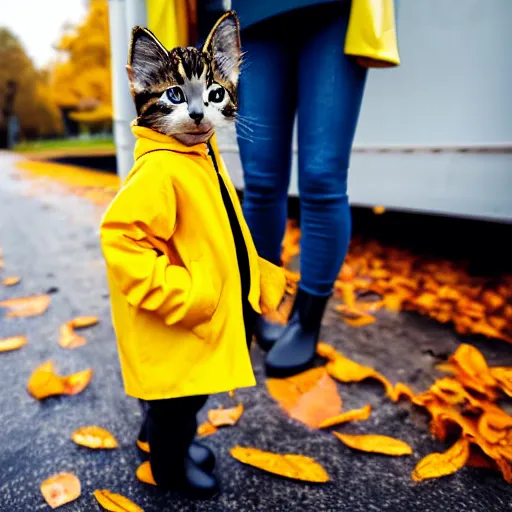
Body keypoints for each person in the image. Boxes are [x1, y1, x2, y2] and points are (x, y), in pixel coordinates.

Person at [100, 13, 285, 498]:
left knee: (172, 404)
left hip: (190, 321)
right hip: (179, 321)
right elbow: (121, 241)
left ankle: (157, 441)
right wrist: (192, 294)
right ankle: (169, 470)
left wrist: (254, 272)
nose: (200, 113)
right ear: (143, 88)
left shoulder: (200, 156)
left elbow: (222, 226)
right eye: (177, 97)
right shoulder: (160, 170)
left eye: (215, 95)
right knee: (180, 405)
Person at [231, 0, 370, 377]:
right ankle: (259, 302)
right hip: (255, 16)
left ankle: (307, 320)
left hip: (335, 10)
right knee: (259, 181)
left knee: (323, 177)